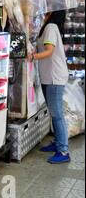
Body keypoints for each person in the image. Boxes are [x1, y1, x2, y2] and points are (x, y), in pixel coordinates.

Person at [29, 10, 70, 164]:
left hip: (54, 77)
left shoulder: (51, 27)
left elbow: (49, 51)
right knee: (54, 112)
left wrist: (32, 57)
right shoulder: (48, 26)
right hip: (49, 76)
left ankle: (64, 150)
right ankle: (58, 143)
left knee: (57, 114)